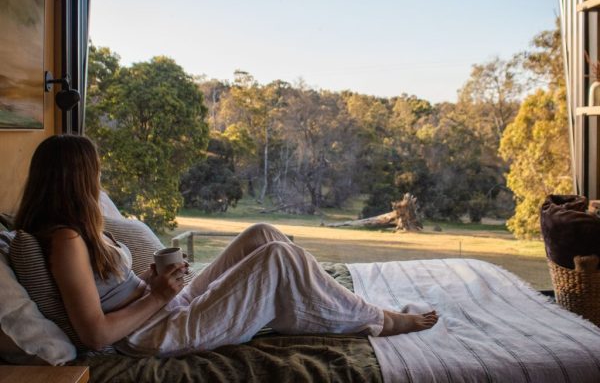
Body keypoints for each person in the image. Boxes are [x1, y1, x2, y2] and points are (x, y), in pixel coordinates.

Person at [14, 135, 437, 356]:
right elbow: (95, 334)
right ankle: (380, 320)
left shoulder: (75, 231)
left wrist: (152, 282)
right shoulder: (67, 240)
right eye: (95, 172)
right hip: (154, 332)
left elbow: (107, 291)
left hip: (163, 308)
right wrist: (158, 295)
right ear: (76, 179)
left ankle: (345, 306)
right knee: (278, 257)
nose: (99, 180)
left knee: (261, 233)